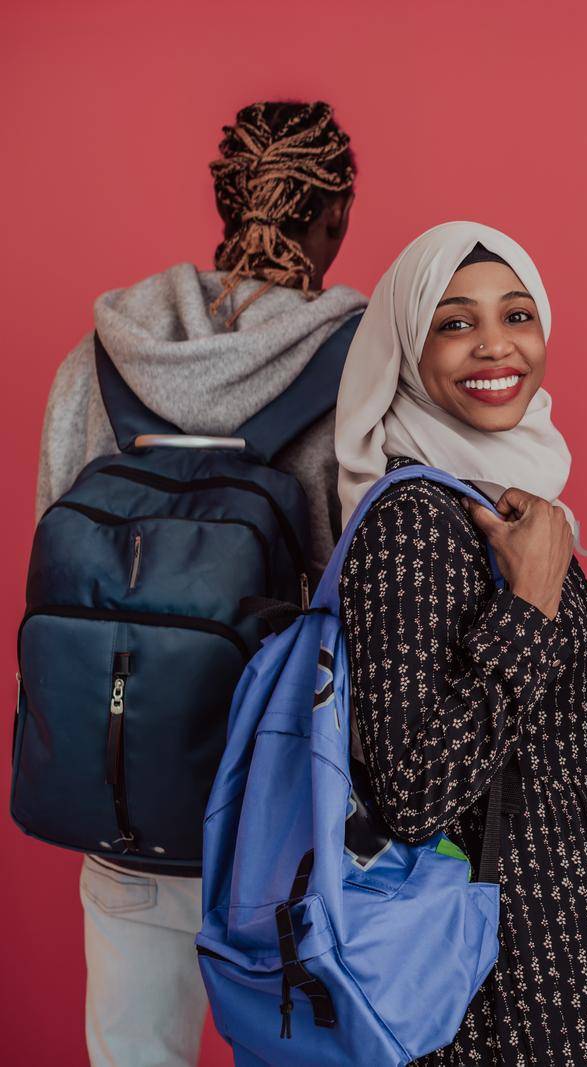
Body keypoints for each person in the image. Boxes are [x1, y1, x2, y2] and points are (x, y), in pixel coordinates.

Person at [33, 99, 362, 1067]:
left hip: (124, 802)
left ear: (221, 200)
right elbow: (369, 597)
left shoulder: (96, 358)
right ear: (334, 218)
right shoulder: (353, 367)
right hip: (284, 818)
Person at [333, 221, 587, 1064]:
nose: (496, 345)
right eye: (455, 322)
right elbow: (412, 795)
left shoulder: (502, 500)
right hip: (506, 981)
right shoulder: (410, 524)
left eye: (517, 315)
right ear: (409, 348)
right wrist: (527, 604)